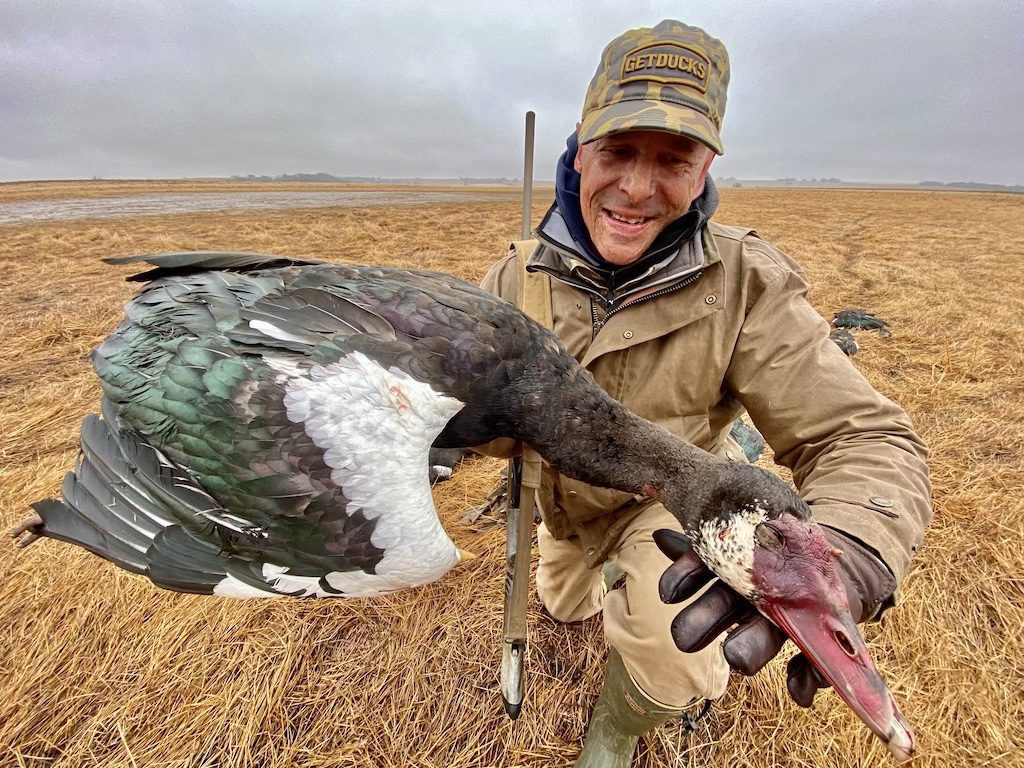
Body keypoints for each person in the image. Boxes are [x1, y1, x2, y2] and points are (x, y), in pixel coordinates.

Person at [480, 19, 931, 768]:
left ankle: (618, 730)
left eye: (673, 159)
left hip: (678, 503)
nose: (636, 186)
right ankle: (587, 577)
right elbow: (468, 420)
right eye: (618, 152)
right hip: (560, 503)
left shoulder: (745, 280)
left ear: (706, 166)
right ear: (581, 147)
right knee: (563, 605)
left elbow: (864, 436)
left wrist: (845, 551)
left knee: (679, 643)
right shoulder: (513, 278)